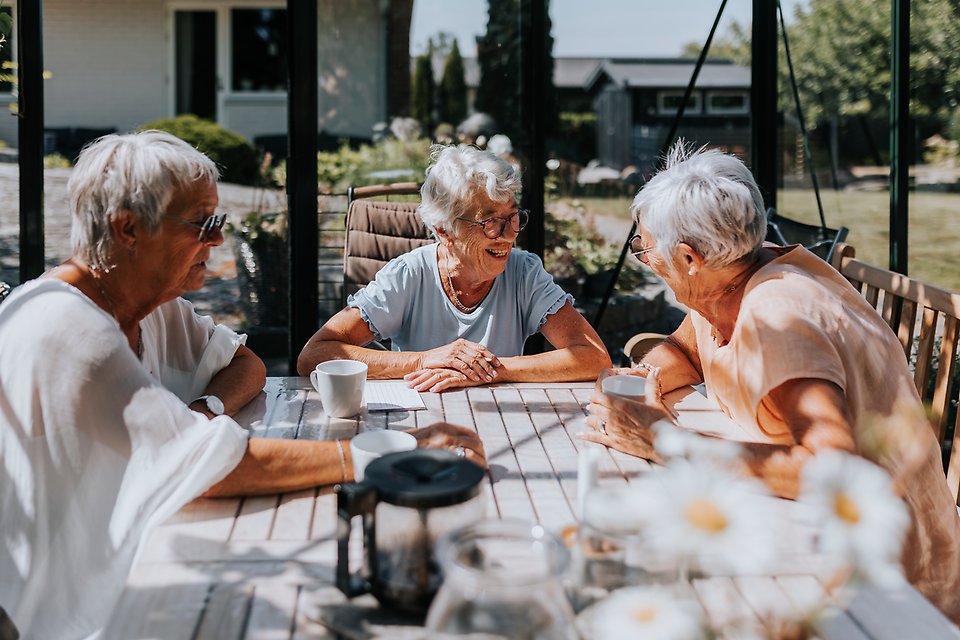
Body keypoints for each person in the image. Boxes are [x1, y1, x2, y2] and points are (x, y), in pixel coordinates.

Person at [0, 131, 485, 639]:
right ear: (128, 230)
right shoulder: (66, 328)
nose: (217, 241)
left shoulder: (149, 308)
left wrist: (205, 410)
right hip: (57, 619)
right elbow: (215, 469)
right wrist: (390, 451)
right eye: (203, 224)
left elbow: (244, 364)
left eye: (220, 222)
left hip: (127, 571)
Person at [581, 143, 960, 622]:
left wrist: (664, 440)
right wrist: (640, 381)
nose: (646, 259)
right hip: (816, 541)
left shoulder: (778, 315)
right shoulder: (733, 278)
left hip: (886, 591)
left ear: (690, 259)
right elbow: (684, 351)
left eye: (645, 249)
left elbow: (830, 466)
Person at [298, 144, 610, 392]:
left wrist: (492, 370)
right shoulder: (408, 274)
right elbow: (315, 355)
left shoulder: (524, 273)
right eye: (490, 222)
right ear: (445, 230)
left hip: (503, 419)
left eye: (513, 217)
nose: (509, 235)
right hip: (418, 425)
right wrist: (424, 360)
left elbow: (593, 356)